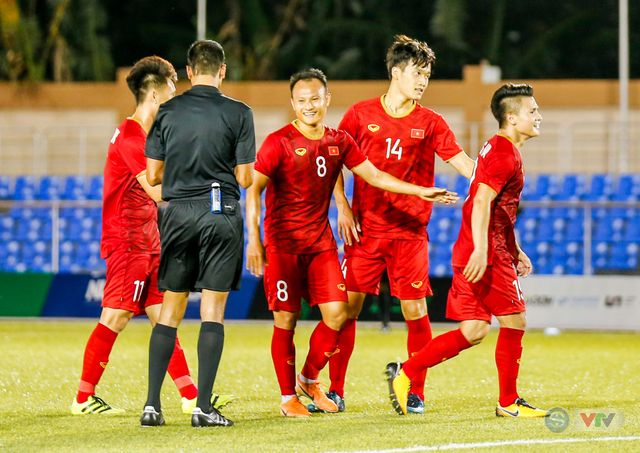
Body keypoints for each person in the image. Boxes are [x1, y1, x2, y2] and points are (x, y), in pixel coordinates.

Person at [245, 68, 458, 418]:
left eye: (315, 99)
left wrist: (422, 191)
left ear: (327, 99)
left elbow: (373, 174)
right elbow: (253, 188)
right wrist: (254, 240)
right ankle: (291, 398)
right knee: (287, 321)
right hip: (285, 246)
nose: (309, 106)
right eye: (302, 101)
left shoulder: (338, 141)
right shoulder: (278, 141)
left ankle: (310, 378)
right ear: (293, 103)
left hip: (325, 245)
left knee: (338, 314)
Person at [324, 34, 475, 413]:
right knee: (347, 311)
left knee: (415, 313)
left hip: (409, 234)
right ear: (396, 73)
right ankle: (335, 390)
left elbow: (460, 161)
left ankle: (415, 390)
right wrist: (342, 206)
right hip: (364, 230)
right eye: (417, 73)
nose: (423, 81)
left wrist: (492, 178)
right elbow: (335, 163)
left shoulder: (431, 122)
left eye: (427, 75)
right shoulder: (359, 115)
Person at [386, 83, 548, 418]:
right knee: (515, 322)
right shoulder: (504, 154)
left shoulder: (496, 147)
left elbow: (490, 205)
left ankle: (406, 372)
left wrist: (515, 248)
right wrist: (483, 251)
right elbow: (482, 203)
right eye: (532, 111)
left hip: (477, 249)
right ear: (512, 117)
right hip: (486, 255)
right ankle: (508, 402)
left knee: (474, 330)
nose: (539, 116)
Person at [70, 56, 205, 416]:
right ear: (156, 95)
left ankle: (190, 396)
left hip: (149, 242)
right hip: (128, 242)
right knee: (115, 317)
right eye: (173, 90)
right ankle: (82, 399)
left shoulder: (145, 136)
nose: (176, 97)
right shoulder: (132, 138)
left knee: (165, 319)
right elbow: (158, 193)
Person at [141, 40, 255, 427]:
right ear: (222, 71)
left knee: (170, 309)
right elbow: (244, 177)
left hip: (177, 213)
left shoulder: (166, 111)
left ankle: (152, 406)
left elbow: (154, 175)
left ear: (189, 71)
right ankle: (203, 407)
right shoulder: (239, 112)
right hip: (218, 211)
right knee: (212, 310)